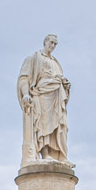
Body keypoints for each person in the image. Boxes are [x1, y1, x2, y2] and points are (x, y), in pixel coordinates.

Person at [17, 34, 70, 163]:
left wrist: (65, 84)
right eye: (51, 42)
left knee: (60, 125)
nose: (53, 46)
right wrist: (25, 94)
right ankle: (45, 153)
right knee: (44, 124)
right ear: (45, 42)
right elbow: (24, 78)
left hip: (57, 96)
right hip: (42, 94)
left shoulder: (55, 62)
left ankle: (60, 155)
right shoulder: (34, 58)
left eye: (55, 44)